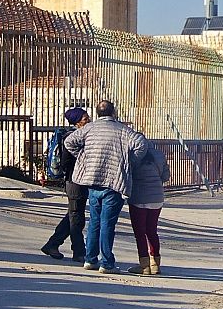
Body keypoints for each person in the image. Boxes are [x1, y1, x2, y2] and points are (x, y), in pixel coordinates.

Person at [64, 99, 147, 273]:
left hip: (93, 180)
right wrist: (130, 162)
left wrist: (84, 157)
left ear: (97, 113)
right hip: (114, 182)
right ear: (113, 112)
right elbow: (141, 144)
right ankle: (107, 263)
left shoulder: (88, 129)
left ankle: (90, 259)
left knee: (94, 221)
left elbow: (69, 142)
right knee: (107, 223)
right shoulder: (124, 131)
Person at [41, 108, 90, 261]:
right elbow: (66, 162)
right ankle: (79, 251)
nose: (87, 119)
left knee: (73, 215)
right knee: (76, 218)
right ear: (77, 121)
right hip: (74, 181)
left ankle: (53, 244)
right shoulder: (72, 138)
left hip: (79, 181)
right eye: (84, 117)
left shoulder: (80, 136)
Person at [126, 136, 170, 275]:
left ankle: (144, 265)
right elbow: (165, 176)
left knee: (140, 233)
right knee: (152, 231)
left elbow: (127, 175)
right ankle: (155, 264)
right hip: (157, 197)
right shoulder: (159, 154)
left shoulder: (133, 156)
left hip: (138, 197)